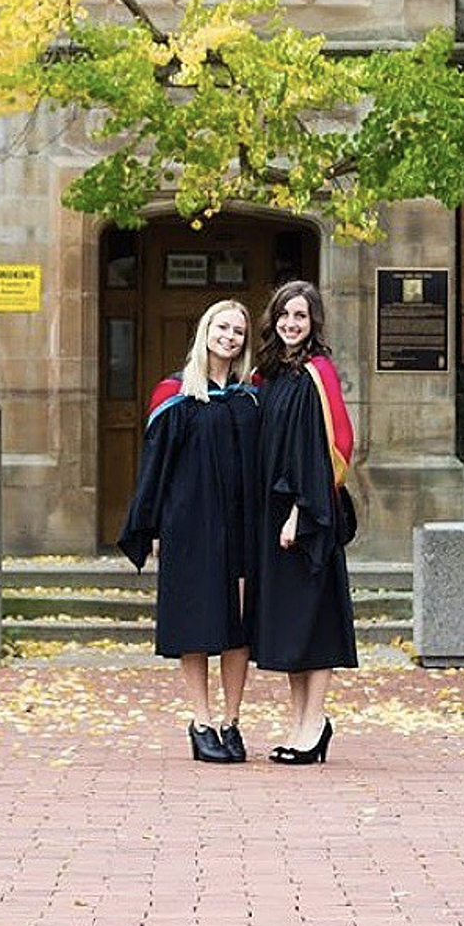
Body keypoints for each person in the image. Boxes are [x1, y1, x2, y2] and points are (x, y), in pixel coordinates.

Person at [118, 300, 259, 763]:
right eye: (222, 327)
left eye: (238, 330)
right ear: (206, 331)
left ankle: (231, 722)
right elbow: (155, 467)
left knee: (238, 625)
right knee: (197, 623)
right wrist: (153, 524)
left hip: (242, 522)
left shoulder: (250, 394)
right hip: (190, 523)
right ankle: (200, 722)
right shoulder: (175, 394)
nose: (230, 336)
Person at [250, 280, 357, 765]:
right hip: (273, 516)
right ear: (273, 319)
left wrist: (299, 513)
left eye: (301, 317)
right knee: (293, 627)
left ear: (314, 324)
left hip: (308, 516)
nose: (292, 324)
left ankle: (314, 724)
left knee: (316, 625)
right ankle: (299, 724)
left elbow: (328, 449)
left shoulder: (319, 374)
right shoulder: (268, 375)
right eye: (285, 315)